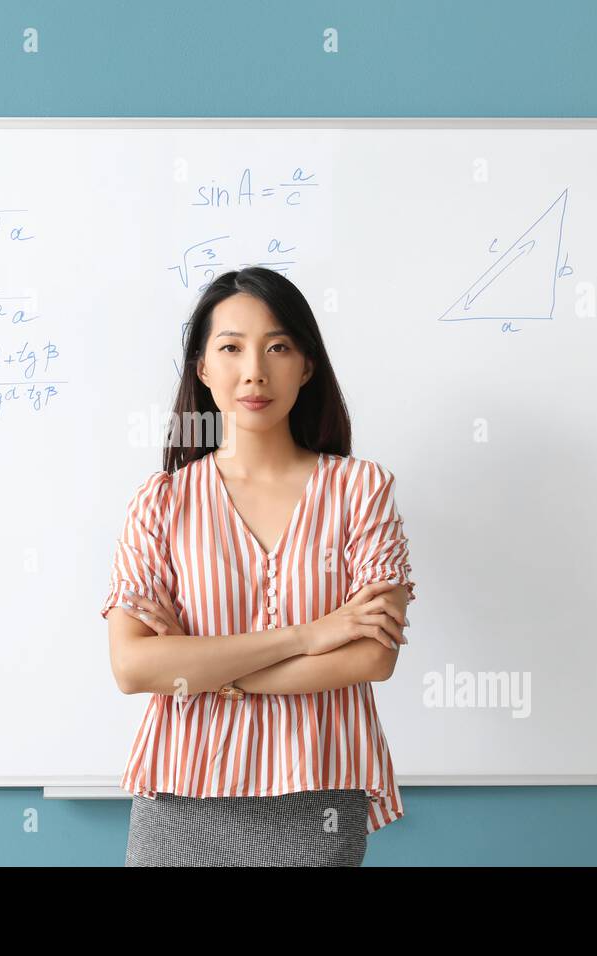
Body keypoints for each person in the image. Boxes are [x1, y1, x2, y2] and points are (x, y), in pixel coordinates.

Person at [100, 266, 416, 866]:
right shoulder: (162, 502)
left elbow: (373, 656)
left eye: (278, 347)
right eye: (231, 347)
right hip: (181, 791)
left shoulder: (360, 490)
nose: (255, 370)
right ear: (202, 368)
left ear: (307, 365)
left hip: (317, 792)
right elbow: (134, 665)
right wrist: (309, 635)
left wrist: (205, 673)